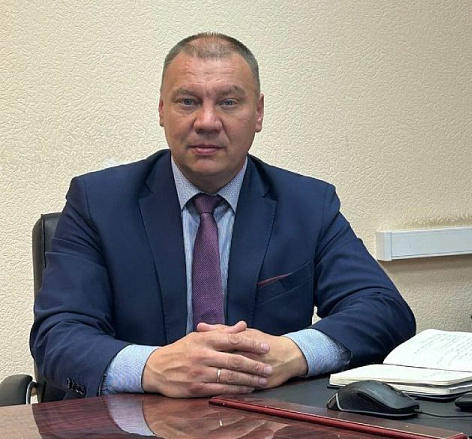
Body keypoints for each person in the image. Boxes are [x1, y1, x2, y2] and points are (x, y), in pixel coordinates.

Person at [30, 32, 416, 400]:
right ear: (162, 110)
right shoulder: (98, 202)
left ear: (258, 112)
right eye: (187, 101)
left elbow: (383, 310)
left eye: (229, 103)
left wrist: (292, 353)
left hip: (268, 421)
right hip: (134, 422)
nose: (207, 121)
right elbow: (58, 335)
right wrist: (152, 367)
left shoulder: (308, 205)